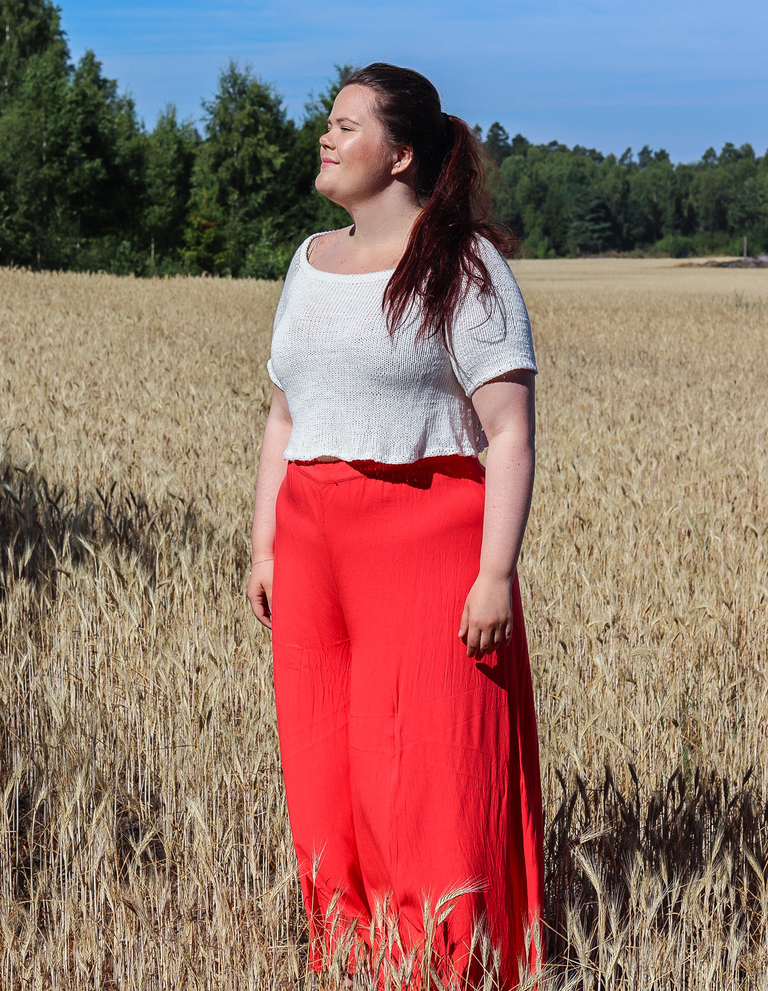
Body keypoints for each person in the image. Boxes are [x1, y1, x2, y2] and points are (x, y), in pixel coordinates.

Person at [247, 63, 543, 990]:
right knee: (323, 750)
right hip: (308, 535)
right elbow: (283, 413)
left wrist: (494, 574)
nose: (325, 138)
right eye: (327, 124)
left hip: (425, 536)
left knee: (425, 762)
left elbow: (507, 430)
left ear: (401, 153)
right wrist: (263, 545)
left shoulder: (462, 264)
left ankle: (444, 964)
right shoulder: (308, 258)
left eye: (345, 126)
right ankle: (347, 951)